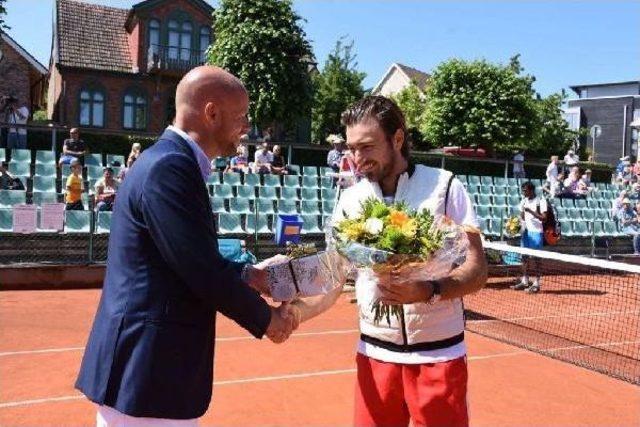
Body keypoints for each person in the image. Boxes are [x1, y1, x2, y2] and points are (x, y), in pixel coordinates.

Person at [75, 66, 297, 425]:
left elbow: (181, 255)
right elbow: (199, 268)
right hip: (147, 374)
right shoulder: (170, 166)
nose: (247, 128)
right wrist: (267, 319)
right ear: (211, 113)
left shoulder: (169, 162)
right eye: (241, 117)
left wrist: (249, 275)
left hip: (148, 373)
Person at [289, 96, 488, 427]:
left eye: (366, 147)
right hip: (375, 354)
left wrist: (428, 290)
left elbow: (477, 270)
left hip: (438, 355)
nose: (356, 158)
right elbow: (333, 277)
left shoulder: (445, 186)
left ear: (397, 139)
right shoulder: (350, 199)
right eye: (351, 148)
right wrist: (293, 310)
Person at [512, 181, 547, 294]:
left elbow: (544, 218)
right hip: (526, 232)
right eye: (523, 190)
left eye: (525, 190)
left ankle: (536, 283)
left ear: (531, 190)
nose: (523, 192)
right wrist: (518, 222)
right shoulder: (524, 201)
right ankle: (525, 281)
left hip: (536, 232)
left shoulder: (541, 201)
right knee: (524, 257)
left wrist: (530, 211)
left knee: (537, 258)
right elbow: (522, 215)